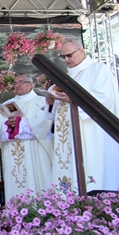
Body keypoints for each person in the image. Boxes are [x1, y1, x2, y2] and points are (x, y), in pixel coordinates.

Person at [45, 39, 119, 192]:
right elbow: (58, 110)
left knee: (89, 173)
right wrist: (52, 102)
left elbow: (104, 100)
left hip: (91, 133)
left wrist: (73, 99)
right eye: (63, 57)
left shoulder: (98, 70)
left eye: (69, 55)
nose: (67, 60)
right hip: (68, 137)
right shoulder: (66, 77)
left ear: (81, 51)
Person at [0, 73, 53, 199]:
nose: (17, 85)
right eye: (15, 83)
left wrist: (20, 123)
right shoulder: (9, 104)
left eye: (21, 82)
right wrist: (7, 124)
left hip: (33, 152)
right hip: (13, 153)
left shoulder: (40, 102)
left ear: (30, 84)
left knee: (34, 180)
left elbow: (44, 123)